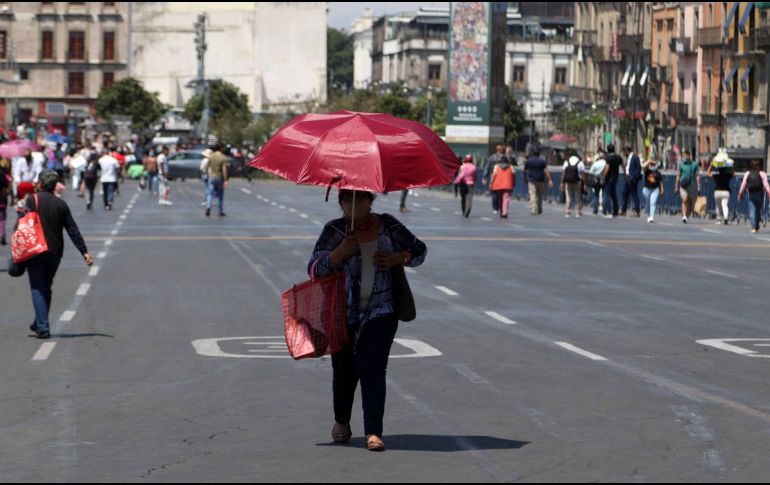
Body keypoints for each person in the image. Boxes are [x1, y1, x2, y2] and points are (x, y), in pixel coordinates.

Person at [309, 189, 426, 452]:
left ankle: (373, 431)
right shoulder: (334, 231)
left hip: (381, 310)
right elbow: (314, 269)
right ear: (340, 203)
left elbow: (419, 250)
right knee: (344, 370)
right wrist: (339, 252)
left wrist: (399, 257)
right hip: (341, 312)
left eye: (360, 197)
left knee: (373, 369)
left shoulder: (389, 226)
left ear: (370, 201)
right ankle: (341, 421)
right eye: (347, 198)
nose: (353, 203)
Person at [22, 170, 93, 339]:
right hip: (55, 253)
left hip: (35, 250)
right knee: (46, 286)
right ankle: (39, 321)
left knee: (38, 288)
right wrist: (84, 252)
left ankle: (42, 325)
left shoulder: (33, 200)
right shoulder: (61, 205)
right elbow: (72, 230)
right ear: (55, 186)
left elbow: (23, 224)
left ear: (40, 183)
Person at [737, 160, 770, 234]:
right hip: (760, 194)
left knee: (752, 211)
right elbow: (766, 184)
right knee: (758, 210)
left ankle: (753, 227)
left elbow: (743, 184)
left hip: (751, 194)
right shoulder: (762, 173)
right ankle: (757, 224)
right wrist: (769, 193)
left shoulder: (747, 173)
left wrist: (740, 193)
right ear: (759, 165)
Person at [523, 148, 553, 215]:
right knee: (539, 195)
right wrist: (550, 180)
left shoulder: (529, 161)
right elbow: (546, 171)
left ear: (533, 153)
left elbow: (524, 170)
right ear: (539, 154)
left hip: (532, 180)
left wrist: (525, 178)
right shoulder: (542, 161)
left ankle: (533, 209)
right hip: (540, 180)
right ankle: (539, 209)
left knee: (532, 194)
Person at [707, 154, 735, 225]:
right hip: (726, 192)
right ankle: (725, 217)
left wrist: (711, 165)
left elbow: (708, 173)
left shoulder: (716, 176)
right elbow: (733, 175)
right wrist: (731, 167)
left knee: (718, 205)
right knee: (725, 205)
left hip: (717, 191)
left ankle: (719, 219)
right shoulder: (728, 175)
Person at [675, 150, 701, 224]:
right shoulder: (681, 165)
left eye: (685, 156)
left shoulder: (695, 164)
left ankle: (686, 215)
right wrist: (676, 186)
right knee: (684, 200)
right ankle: (684, 216)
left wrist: (699, 186)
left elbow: (697, 175)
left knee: (691, 202)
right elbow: (678, 175)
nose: (684, 158)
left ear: (689, 156)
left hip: (692, 185)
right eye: (683, 156)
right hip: (683, 185)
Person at [482, 144, 505, 214]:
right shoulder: (504, 157)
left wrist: (485, 177)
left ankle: (495, 208)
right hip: (502, 176)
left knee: (494, 192)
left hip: (493, 175)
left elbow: (487, 167)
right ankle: (499, 206)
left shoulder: (492, 157)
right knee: (501, 192)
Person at [602, 144, 624, 219]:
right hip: (615, 178)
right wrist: (624, 175)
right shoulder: (618, 157)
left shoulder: (608, 158)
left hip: (608, 178)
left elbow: (607, 168)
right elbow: (623, 166)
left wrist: (603, 177)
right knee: (613, 195)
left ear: (608, 150)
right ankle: (615, 210)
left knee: (606, 194)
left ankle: (607, 210)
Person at [205, 145, 228, 217]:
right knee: (220, 195)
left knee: (209, 194)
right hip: (219, 177)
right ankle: (220, 211)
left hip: (211, 177)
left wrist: (207, 175)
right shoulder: (222, 157)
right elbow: (224, 170)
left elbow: (206, 167)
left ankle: (208, 207)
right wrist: (225, 180)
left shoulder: (211, 157)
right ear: (221, 149)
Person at [620, 147, 642, 217]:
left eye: (624, 152)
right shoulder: (628, 158)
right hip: (627, 178)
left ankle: (637, 211)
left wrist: (634, 178)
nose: (623, 154)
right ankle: (623, 211)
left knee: (634, 195)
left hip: (632, 179)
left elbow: (638, 168)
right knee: (624, 194)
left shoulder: (635, 157)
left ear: (626, 151)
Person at [0, 157, 9, 245]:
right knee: (2, 218)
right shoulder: (4, 175)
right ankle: (2, 235)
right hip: (2, 199)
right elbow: (6, 188)